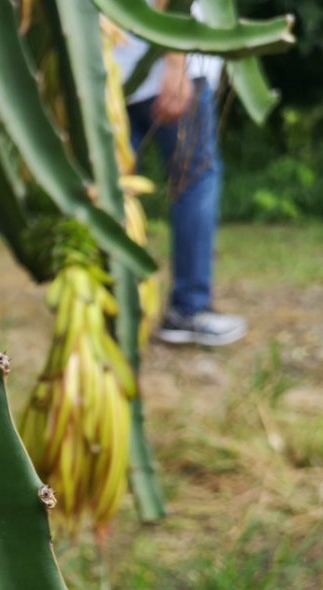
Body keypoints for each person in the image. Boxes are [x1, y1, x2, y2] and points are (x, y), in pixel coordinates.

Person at [113, 3, 248, 347]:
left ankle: (111, 306)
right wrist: (176, 63)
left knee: (115, 189)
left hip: (114, 73)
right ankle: (189, 309)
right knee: (195, 181)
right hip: (167, 72)